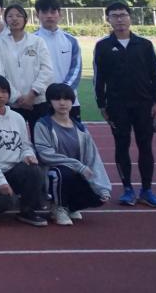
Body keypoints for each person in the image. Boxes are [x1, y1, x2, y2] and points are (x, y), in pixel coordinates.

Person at [93, 0, 156, 208]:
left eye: (123, 15)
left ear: (130, 17)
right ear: (108, 19)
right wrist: (102, 105)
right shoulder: (103, 46)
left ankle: (147, 190)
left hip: (144, 105)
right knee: (121, 146)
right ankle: (127, 189)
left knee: (145, 147)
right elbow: (99, 78)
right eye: (115, 16)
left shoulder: (144, 44)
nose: (120, 19)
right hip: (117, 106)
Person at [0, 74, 48, 226]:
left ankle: (27, 211)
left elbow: (25, 144)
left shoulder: (17, 118)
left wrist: (28, 155)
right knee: (4, 203)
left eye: (4, 91)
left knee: (34, 170)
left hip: (12, 170)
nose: (0, 95)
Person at [34, 83, 112, 225]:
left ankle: (71, 207)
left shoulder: (81, 129)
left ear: (72, 101)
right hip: (53, 174)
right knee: (62, 172)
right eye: (57, 99)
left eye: (66, 99)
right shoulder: (43, 125)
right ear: (50, 102)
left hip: (77, 174)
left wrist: (102, 188)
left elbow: (93, 158)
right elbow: (45, 155)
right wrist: (78, 166)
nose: (62, 103)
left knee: (98, 197)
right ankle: (58, 207)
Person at [0, 4, 54, 131]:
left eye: (18, 15)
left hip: (38, 101)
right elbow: (0, 73)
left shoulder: (37, 42)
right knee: (15, 139)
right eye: (10, 16)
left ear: (25, 19)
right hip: (13, 104)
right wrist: (16, 97)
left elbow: (47, 70)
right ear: (5, 20)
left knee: (41, 139)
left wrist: (32, 94)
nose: (14, 19)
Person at [35, 0, 83, 119]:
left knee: (72, 132)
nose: (49, 16)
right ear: (37, 15)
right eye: (45, 12)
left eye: (53, 12)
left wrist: (64, 91)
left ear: (60, 14)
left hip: (69, 101)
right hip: (41, 101)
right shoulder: (31, 41)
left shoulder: (71, 40)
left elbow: (76, 68)